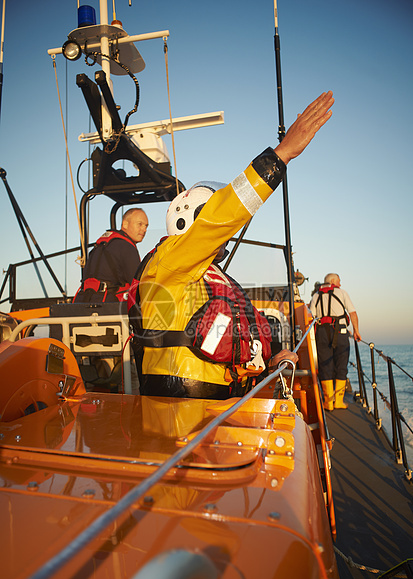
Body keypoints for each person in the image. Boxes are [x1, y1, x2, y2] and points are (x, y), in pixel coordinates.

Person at [128, 91, 334, 399]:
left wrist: (271, 360)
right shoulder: (170, 260)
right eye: (212, 221)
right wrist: (281, 156)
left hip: (224, 399)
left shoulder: (211, 275)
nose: (224, 232)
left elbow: (241, 328)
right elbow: (222, 215)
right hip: (181, 406)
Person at [73, 208, 148, 303]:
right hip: (108, 306)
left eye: (146, 226)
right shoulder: (127, 247)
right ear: (125, 224)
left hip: (83, 301)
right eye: (140, 224)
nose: (144, 229)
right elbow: (138, 285)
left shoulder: (100, 245)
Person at [309, 273, 361, 410]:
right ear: (333, 281)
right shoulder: (342, 293)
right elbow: (352, 313)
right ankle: (338, 401)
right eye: (339, 281)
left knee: (325, 366)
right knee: (341, 365)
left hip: (322, 333)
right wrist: (356, 331)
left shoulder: (316, 296)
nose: (340, 284)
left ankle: (328, 402)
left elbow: (311, 317)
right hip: (340, 331)